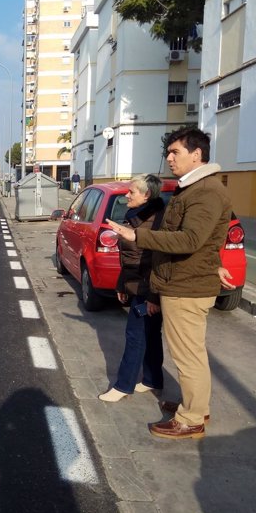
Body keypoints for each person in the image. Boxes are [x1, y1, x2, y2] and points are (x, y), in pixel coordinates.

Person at [107, 126, 233, 440]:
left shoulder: (205, 191)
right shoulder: (192, 189)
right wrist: (214, 264)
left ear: (197, 154)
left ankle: (190, 419)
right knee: (192, 354)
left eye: (175, 152)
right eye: (168, 152)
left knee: (187, 356)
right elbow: (206, 240)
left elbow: (191, 239)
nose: (169, 158)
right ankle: (195, 407)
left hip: (186, 287)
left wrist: (137, 235)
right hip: (184, 282)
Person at [99, 174, 165, 402]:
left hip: (148, 289)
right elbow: (129, 258)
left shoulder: (156, 222)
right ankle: (152, 379)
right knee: (150, 334)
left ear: (146, 195)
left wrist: (154, 297)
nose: (126, 195)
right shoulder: (137, 217)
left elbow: (157, 262)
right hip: (137, 285)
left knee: (136, 336)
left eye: (132, 192)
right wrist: (121, 283)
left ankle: (123, 385)